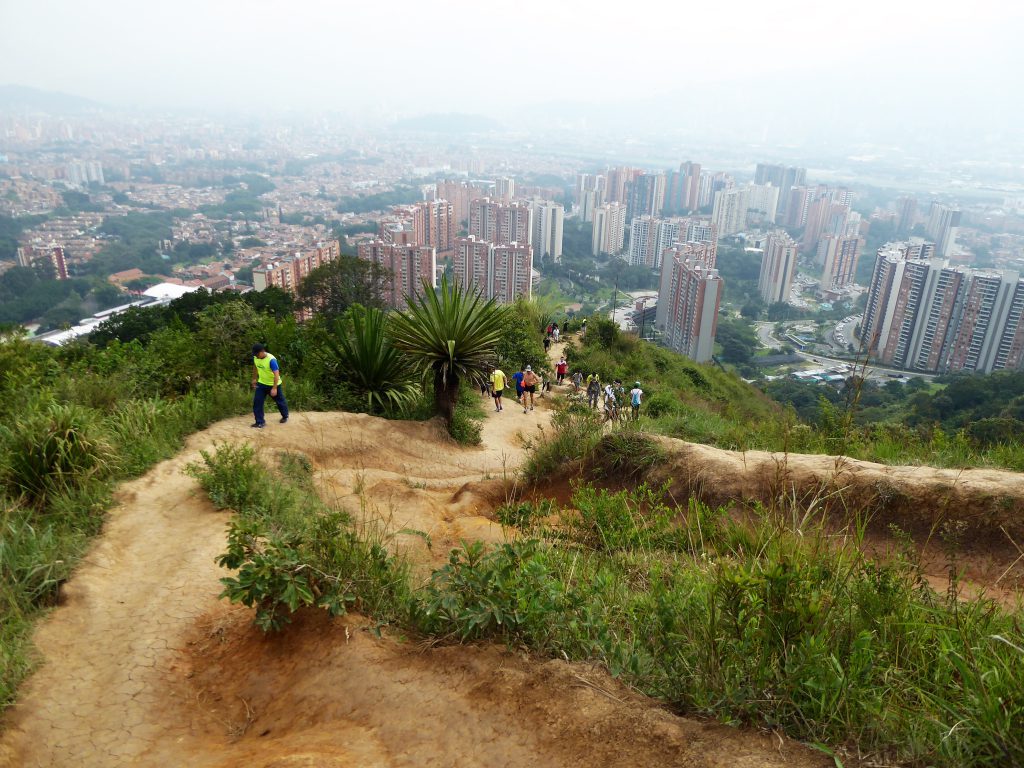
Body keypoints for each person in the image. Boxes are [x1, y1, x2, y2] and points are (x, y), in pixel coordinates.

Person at [251, 343, 289, 428]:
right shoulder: (256, 358)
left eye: (257, 354)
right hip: (261, 384)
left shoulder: (271, 360)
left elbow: (276, 374)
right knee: (257, 402)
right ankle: (260, 422)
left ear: (262, 351)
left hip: (273, 384)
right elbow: (255, 367)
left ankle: (285, 416)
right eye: (255, 354)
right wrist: (254, 379)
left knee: (280, 401)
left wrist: (274, 388)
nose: (256, 356)